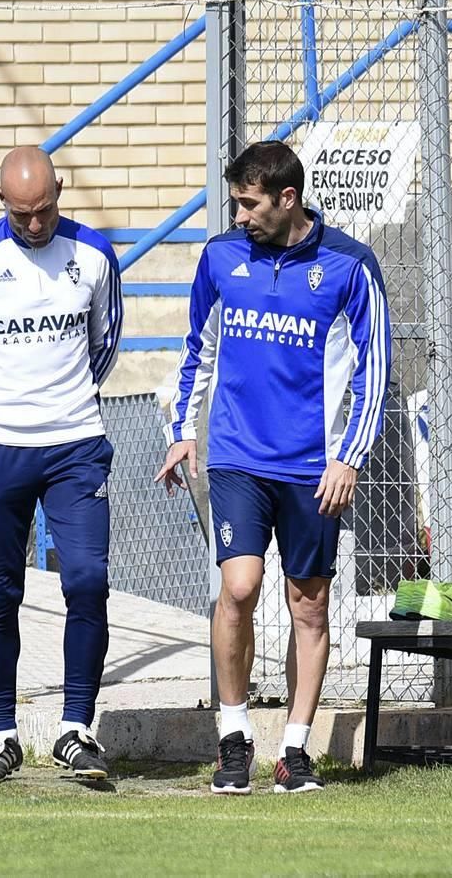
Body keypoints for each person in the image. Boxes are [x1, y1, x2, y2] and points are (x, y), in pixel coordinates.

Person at [155, 142, 390, 795]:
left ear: (288, 199)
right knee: (240, 585)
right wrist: (182, 432)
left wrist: (350, 455)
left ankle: (294, 749)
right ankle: (234, 736)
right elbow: (197, 346)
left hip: (316, 468)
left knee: (308, 604)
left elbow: (377, 368)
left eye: (249, 202)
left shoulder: (350, 264)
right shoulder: (222, 258)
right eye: (235, 200)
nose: (239, 214)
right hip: (235, 455)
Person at [0, 146, 123, 783]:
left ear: (59, 192)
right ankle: (0, 734)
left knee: (88, 579)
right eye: (21, 215)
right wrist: (1, 408)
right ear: (1, 203)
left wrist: (64, 403)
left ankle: (75, 727)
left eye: (43, 211)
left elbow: (105, 342)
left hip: (76, 445)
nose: (34, 224)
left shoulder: (94, 255)